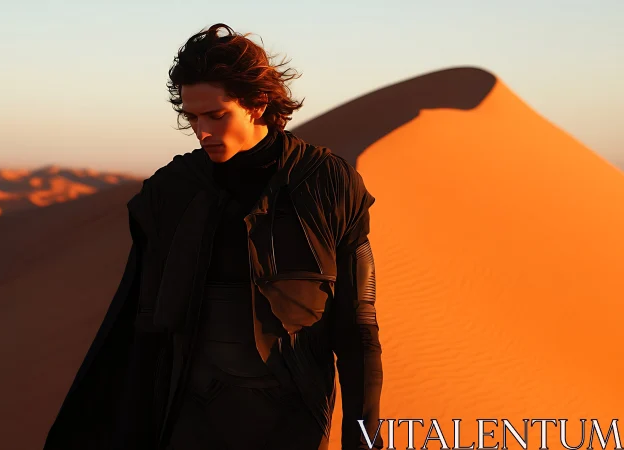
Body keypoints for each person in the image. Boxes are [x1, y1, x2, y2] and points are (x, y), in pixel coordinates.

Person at [43, 23, 384, 450]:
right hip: (191, 417)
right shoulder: (170, 193)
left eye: (215, 115)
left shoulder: (331, 184)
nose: (201, 130)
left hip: (294, 420)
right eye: (192, 117)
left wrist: (365, 442)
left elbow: (359, 330)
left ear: (257, 104)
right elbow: (144, 332)